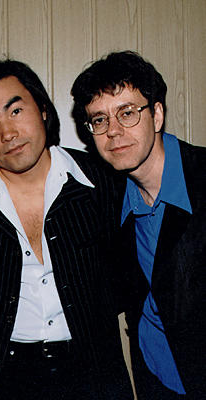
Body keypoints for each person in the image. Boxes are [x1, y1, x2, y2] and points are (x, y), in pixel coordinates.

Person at [0, 59, 132, 400]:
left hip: (94, 373)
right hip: (3, 378)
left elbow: (129, 278)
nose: (8, 133)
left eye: (16, 111)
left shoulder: (102, 181)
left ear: (44, 110)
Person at [71, 51, 206, 399]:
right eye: (99, 119)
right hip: (155, 380)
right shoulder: (107, 198)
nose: (114, 131)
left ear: (157, 115)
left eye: (127, 112)